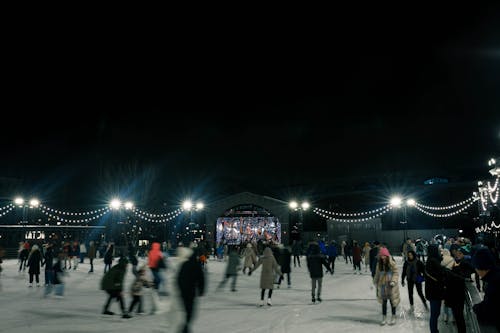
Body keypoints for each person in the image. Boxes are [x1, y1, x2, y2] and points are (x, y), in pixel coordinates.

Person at [176, 245, 205, 333]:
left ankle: (185, 327)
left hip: (183, 291)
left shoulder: (184, 264)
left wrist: (180, 288)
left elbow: (179, 278)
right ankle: (185, 328)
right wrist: (201, 290)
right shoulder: (197, 265)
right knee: (190, 311)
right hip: (191, 291)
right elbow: (201, 279)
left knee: (186, 309)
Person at [471, 248, 500, 331]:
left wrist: (475, 308)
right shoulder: (495, 276)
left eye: (476, 267)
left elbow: (489, 310)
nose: (476, 271)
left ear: (481, 266)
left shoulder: (494, 283)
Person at [373, 247, 400, 325]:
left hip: (391, 285)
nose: (383, 257)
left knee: (392, 302)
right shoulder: (379, 264)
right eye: (381, 256)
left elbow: (396, 273)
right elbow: (377, 274)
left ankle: (393, 317)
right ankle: (384, 318)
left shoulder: (392, 263)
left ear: (387, 255)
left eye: (384, 256)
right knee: (384, 303)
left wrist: (393, 281)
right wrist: (375, 281)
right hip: (382, 286)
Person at [425, 244, 446, 333]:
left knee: (435, 313)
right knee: (434, 314)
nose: (439, 251)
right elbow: (440, 274)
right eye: (438, 250)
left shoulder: (432, 260)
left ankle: (434, 330)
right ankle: (434, 331)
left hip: (432, 291)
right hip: (434, 291)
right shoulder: (433, 261)